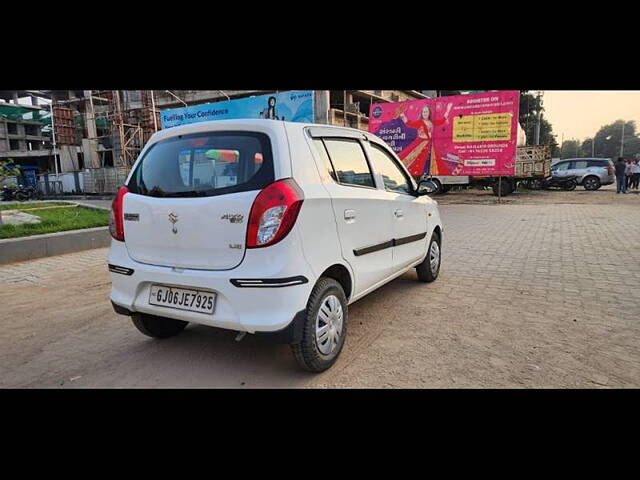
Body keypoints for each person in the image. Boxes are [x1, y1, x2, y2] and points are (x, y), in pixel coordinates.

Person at [394, 102, 452, 176]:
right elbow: (409, 123)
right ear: (421, 113)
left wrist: (448, 110)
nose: (425, 113)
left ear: (429, 113)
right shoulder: (420, 122)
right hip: (420, 145)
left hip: (430, 146)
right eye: (423, 112)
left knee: (431, 163)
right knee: (416, 161)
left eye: (426, 111)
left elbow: (442, 120)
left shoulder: (431, 122)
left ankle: (425, 175)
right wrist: (402, 115)